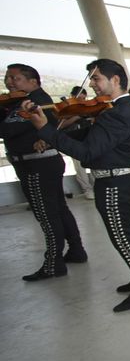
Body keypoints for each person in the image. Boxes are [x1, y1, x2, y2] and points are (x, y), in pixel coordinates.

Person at [24, 59, 130, 312]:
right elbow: (92, 136)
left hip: (115, 183)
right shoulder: (115, 109)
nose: (93, 85)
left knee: (122, 236)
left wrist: (46, 129)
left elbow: (88, 152)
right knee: (129, 233)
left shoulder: (116, 113)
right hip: (120, 180)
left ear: (115, 80)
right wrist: (51, 137)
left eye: (96, 78)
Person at [2, 63, 87, 280]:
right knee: (58, 209)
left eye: (15, 78)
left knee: (46, 214)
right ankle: (76, 250)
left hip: (37, 164)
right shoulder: (19, 102)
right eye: (7, 78)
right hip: (37, 163)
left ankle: (54, 263)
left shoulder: (35, 102)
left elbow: (8, 129)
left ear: (33, 81)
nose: (9, 82)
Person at [62, 86, 95, 199]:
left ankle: (96, 187)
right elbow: (61, 125)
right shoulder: (67, 110)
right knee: (80, 167)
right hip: (74, 141)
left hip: (88, 140)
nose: (82, 101)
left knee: (94, 165)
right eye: (79, 98)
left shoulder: (87, 109)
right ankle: (87, 189)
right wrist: (76, 117)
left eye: (84, 98)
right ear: (72, 97)